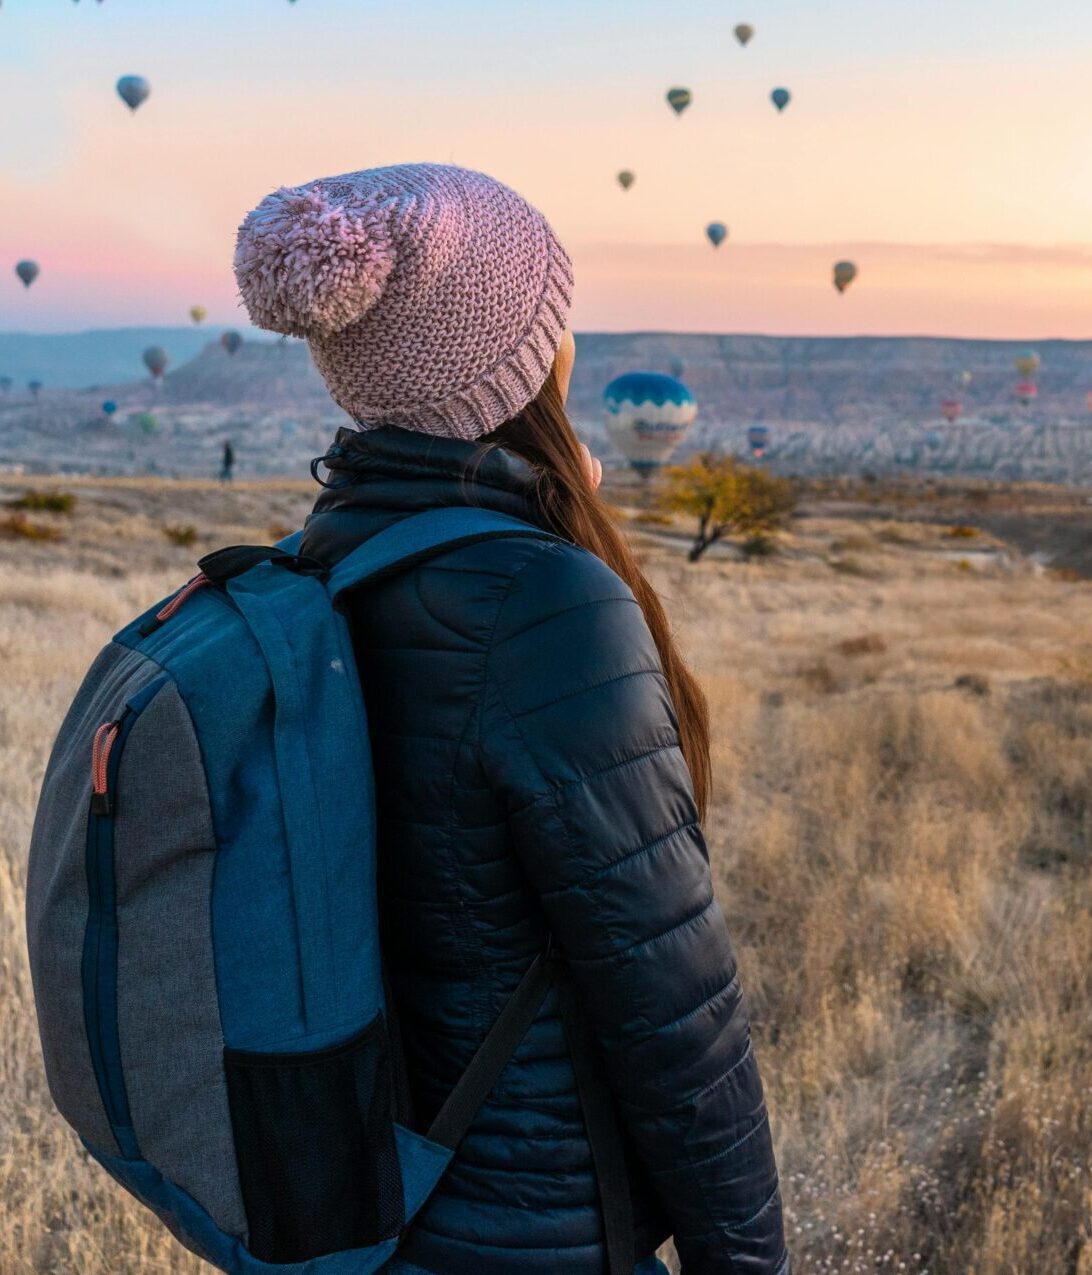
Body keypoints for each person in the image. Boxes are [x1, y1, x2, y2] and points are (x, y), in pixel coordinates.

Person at [234, 163, 788, 1275]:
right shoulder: (540, 603)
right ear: (526, 361)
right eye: (556, 317)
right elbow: (670, 994)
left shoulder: (319, 566)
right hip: (530, 1220)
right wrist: (748, 1257)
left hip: (357, 1205)